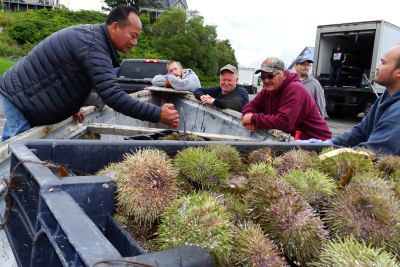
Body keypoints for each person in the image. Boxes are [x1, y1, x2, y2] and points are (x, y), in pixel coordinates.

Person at [0, 5, 179, 141]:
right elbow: (112, 95)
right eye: (133, 35)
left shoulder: (96, 40)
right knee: (14, 160)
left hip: (26, 98)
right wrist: (157, 114)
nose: (135, 43)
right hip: (21, 99)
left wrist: (73, 107)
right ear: (115, 27)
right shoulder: (94, 46)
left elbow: (70, 75)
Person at [241, 57, 332, 140]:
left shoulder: (295, 89)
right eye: (263, 77)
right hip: (294, 142)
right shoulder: (267, 91)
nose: (266, 80)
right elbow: (250, 106)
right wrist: (248, 116)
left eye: (270, 76)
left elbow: (284, 122)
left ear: (284, 75)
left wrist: (254, 119)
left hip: (317, 144)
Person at [333, 45, 400, 155]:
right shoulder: (384, 99)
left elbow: (372, 153)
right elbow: (360, 133)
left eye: (383, 63)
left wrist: (327, 156)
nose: (378, 67)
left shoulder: (397, 113)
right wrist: (329, 144)